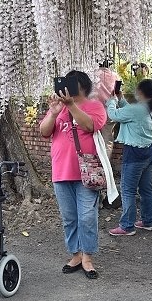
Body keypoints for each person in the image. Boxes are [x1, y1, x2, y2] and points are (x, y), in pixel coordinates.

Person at [40, 70, 107, 280]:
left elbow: (90, 125)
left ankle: (87, 257)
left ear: (82, 86)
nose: (66, 86)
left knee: (87, 217)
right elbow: (44, 132)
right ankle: (76, 254)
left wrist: (71, 106)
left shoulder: (94, 106)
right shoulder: (59, 108)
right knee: (69, 218)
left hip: (86, 173)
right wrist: (52, 112)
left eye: (71, 82)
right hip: (61, 171)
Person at [106, 78, 152, 236]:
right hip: (150, 151)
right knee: (146, 188)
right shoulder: (151, 107)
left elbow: (113, 115)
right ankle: (148, 221)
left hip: (135, 153)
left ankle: (127, 226)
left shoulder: (137, 109)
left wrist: (111, 100)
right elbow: (131, 113)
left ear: (141, 92)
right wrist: (121, 99)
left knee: (128, 190)